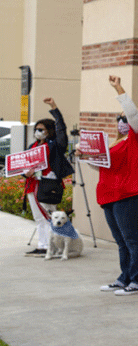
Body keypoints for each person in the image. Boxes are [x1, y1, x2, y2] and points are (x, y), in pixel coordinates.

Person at [88, 76, 138, 296]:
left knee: (133, 239)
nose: (122, 121)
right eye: (118, 118)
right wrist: (87, 156)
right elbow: (102, 167)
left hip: (134, 193)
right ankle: (126, 277)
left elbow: (133, 114)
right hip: (112, 195)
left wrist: (119, 89)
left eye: (124, 118)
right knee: (122, 241)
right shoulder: (116, 144)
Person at [24, 97, 75, 256]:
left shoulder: (55, 145)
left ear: (49, 130)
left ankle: (50, 246)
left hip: (48, 184)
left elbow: (61, 129)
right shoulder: (33, 146)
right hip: (33, 184)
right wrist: (25, 172)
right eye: (36, 129)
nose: (38, 132)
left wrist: (54, 108)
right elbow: (24, 163)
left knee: (48, 216)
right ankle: (43, 244)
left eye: (41, 129)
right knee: (39, 217)